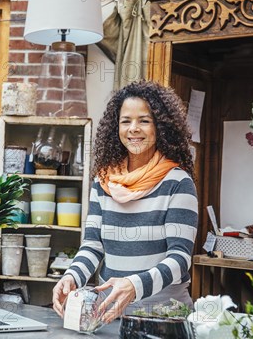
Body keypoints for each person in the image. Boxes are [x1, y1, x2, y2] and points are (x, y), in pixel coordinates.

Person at [52, 80, 198, 324]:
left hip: (164, 318)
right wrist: (72, 276)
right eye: (126, 121)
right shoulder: (103, 182)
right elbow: (93, 246)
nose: (134, 129)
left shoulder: (177, 183)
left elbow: (180, 258)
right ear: (115, 127)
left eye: (144, 120)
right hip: (109, 315)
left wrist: (134, 285)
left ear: (160, 126)